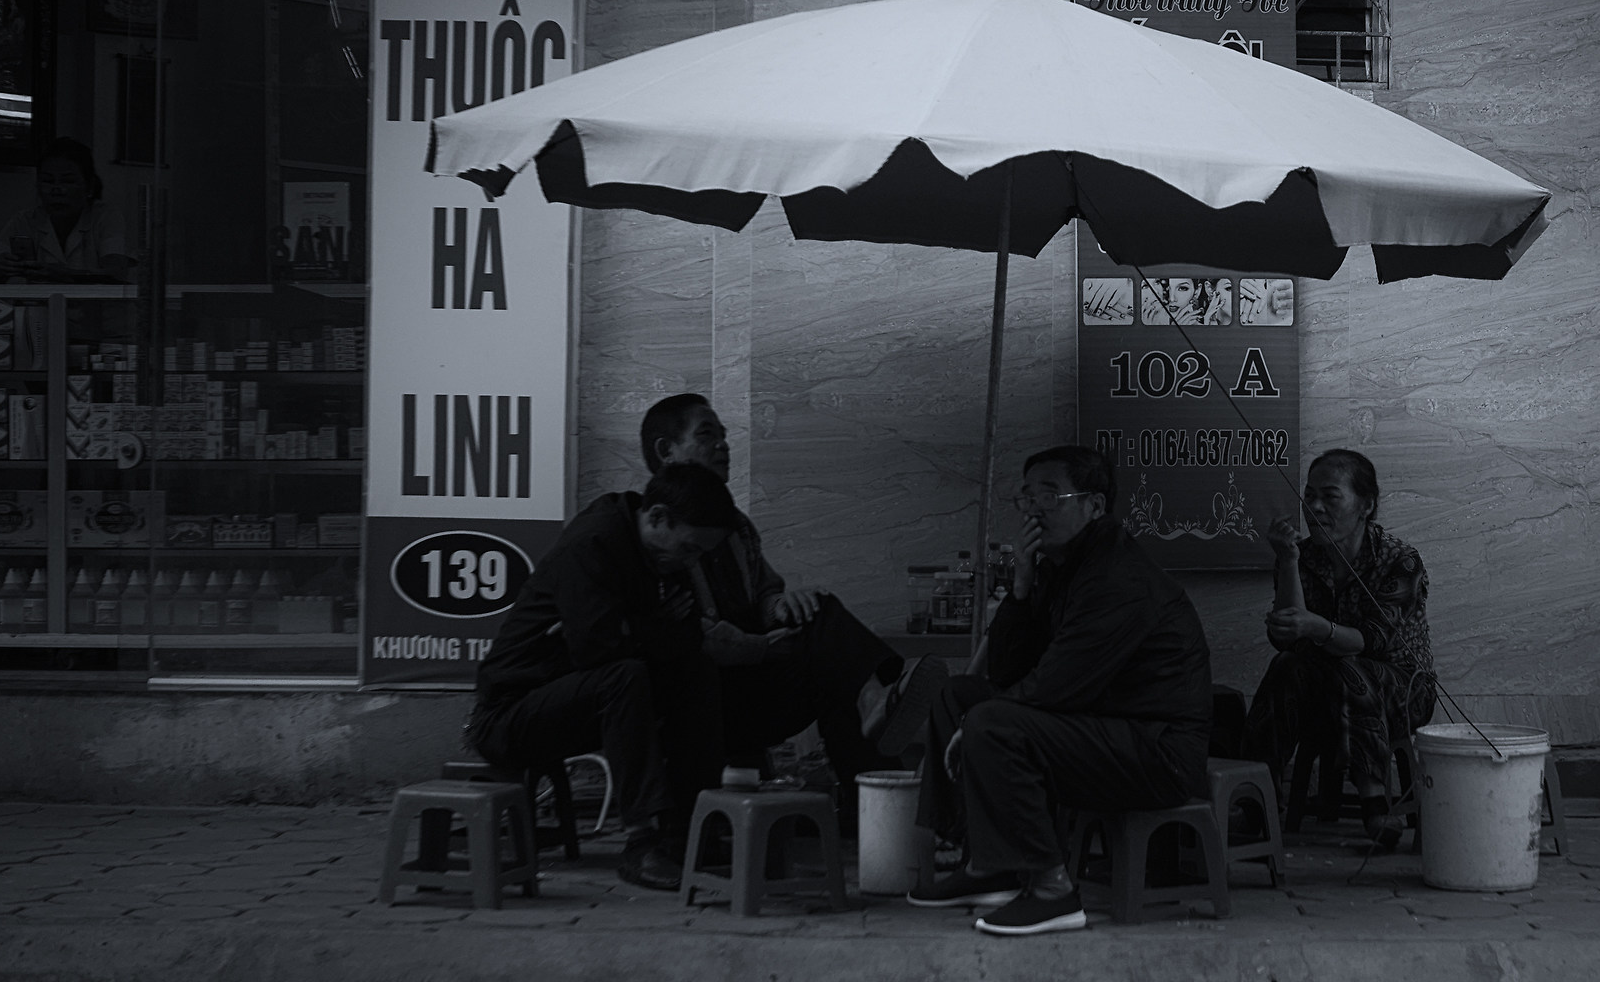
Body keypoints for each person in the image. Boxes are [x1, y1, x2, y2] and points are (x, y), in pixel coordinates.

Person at [906, 444, 1213, 936]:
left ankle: (1053, 891)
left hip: (1157, 748)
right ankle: (989, 864)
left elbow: (1060, 681)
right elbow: (1008, 671)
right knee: (960, 696)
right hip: (1100, 724)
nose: (1033, 509)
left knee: (992, 722)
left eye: (1050, 496)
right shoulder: (1061, 566)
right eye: (1026, 498)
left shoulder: (1117, 576)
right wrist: (1022, 587)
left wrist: (981, 724)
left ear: (1094, 505)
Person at [636, 393, 925, 810]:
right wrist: (763, 647)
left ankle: (870, 807)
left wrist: (784, 607)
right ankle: (878, 706)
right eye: (706, 435)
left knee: (825, 627)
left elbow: (763, 598)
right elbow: (695, 636)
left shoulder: (737, 527)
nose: (723, 445)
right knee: (837, 665)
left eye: (724, 435)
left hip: (752, 681)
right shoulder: (659, 530)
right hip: (701, 697)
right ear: (667, 451)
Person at [465, 462, 740, 891]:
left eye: (700, 553)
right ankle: (641, 842)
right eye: (690, 550)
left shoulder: (666, 553)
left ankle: (688, 830)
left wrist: (630, 629)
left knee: (695, 672)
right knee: (624, 676)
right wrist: (649, 627)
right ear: (657, 517)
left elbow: (684, 638)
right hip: (509, 715)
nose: (693, 561)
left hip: (581, 698)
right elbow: (597, 650)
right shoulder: (593, 541)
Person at [1242, 449, 1435, 850]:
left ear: (1366, 506)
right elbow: (1288, 638)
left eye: (1330, 497)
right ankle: (1255, 799)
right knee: (1286, 665)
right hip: (1325, 688)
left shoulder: (1399, 560)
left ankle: (1374, 802)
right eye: (1309, 496)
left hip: (1402, 689)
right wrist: (1289, 561)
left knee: (1353, 667)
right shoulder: (1303, 555)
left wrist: (1315, 626)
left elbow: (1371, 641)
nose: (1314, 507)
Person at [0, 139, 135, 283]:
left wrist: (65, 274)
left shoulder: (105, 216)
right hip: (41, 311)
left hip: (98, 311)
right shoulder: (25, 220)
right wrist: (2, 268)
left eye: (68, 181)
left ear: (89, 187)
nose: (57, 190)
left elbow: (116, 273)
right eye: (48, 181)